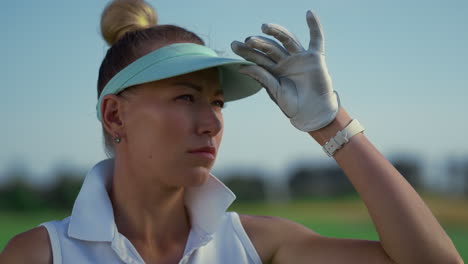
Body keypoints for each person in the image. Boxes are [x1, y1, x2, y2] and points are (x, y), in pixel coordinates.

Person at [0, 0, 462, 263]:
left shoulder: (258, 245)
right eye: (186, 97)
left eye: (217, 101)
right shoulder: (41, 255)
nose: (213, 121)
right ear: (115, 117)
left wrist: (329, 123)